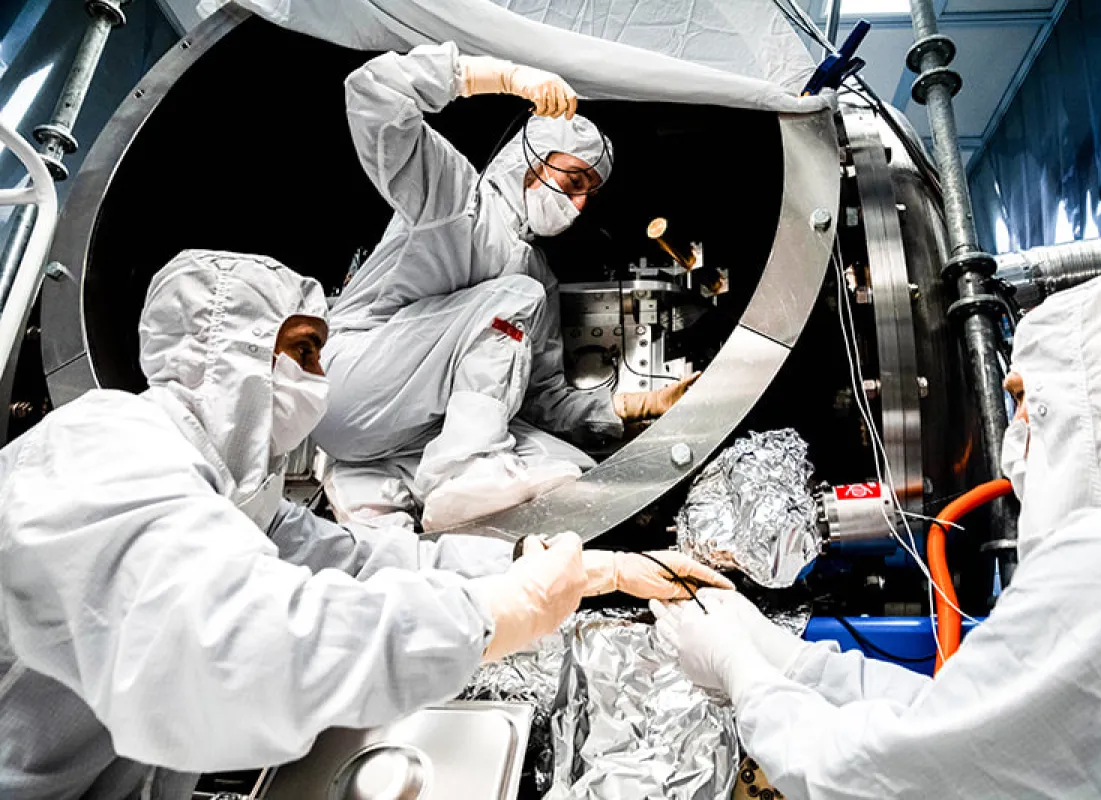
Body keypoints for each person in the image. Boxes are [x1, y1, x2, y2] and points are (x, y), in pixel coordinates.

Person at [0, 250, 729, 799]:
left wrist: (572, 568)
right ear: (233, 349)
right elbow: (250, 648)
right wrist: (494, 614)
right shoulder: (106, 449)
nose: (322, 378)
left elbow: (362, 562)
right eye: (308, 350)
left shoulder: (231, 498)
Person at [652, 264, 1101, 798]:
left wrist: (740, 672)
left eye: (1024, 400)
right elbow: (964, 724)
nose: (1014, 435)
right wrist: (794, 663)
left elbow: (887, 779)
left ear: (1093, 399)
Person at [311, 42, 699, 531]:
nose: (579, 204)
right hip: (349, 383)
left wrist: (632, 406)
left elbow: (540, 397)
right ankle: (464, 469)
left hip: (404, 433)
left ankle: (396, 498)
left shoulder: (536, 271)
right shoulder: (456, 201)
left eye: (590, 193)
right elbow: (374, 92)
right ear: (530, 158)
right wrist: (499, 76)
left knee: (569, 476)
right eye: (574, 179)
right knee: (515, 297)